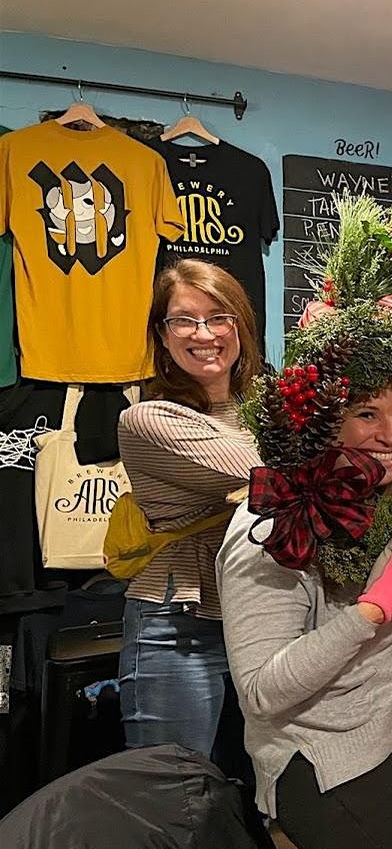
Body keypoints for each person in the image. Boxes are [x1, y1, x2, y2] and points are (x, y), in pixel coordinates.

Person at [216, 358, 392, 849]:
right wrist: (371, 611)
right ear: (322, 422)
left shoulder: (379, 482)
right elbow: (261, 691)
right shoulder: (276, 526)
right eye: (366, 413)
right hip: (326, 758)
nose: (390, 435)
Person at [117, 259, 263, 765]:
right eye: (183, 319)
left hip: (262, 620)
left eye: (219, 316)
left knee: (254, 793)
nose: (203, 334)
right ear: (162, 334)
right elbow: (267, 473)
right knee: (174, 787)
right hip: (178, 625)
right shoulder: (149, 419)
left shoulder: (264, 409)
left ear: (241, 324)